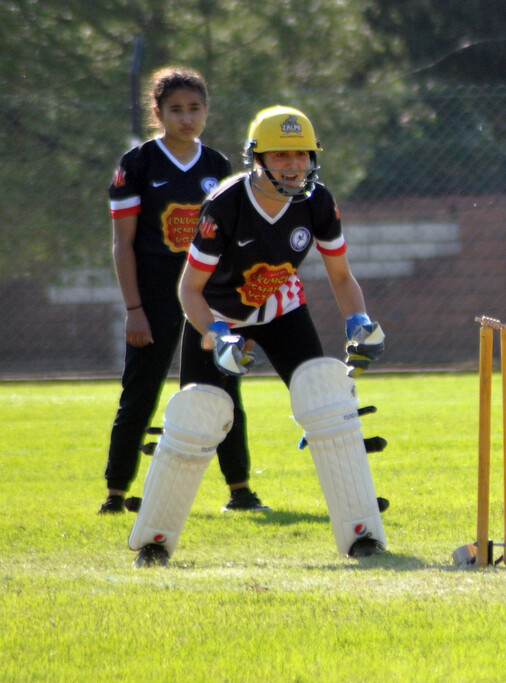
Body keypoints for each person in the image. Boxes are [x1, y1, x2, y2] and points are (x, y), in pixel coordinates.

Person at [128, 105, 386, 567]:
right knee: (196, 417)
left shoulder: (318, 202)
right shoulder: (225, 204)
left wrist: (359, 322)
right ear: (257, 158)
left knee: (328, 402)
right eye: (281, 154)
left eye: (302, 154)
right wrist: (218, 335)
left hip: (282, 307)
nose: (294, 164)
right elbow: (188, 289)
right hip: (216, 313)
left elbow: (342, 277)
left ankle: (362, 533)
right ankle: (154, 541)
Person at [100, 66, 266, 514]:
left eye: (195, 108)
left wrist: (240, 312)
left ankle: (240, 491)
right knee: (141, 390)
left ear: (207, 110)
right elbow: (123, 244)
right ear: (158, 113)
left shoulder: (218, 166)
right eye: (175, 110)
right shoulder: (137, 164)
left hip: (207, 294)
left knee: (222, 388)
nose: (186, 118)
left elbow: (233, 246)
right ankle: (115, 494)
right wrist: (134, 308)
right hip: (154, 293)